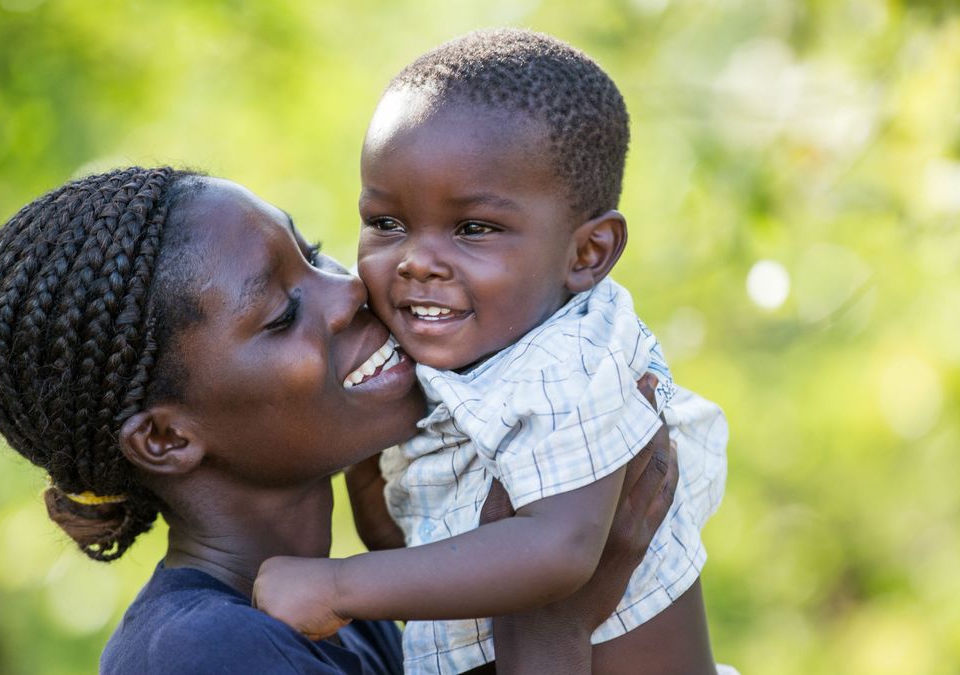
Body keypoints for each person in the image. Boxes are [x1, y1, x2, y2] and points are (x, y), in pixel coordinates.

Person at [0, 167, 685, 674]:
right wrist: (557, 611)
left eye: (310, 253)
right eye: (282, 313)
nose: (348, 291)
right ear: (167, 438)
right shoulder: (199, 655)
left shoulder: (348, 607)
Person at [252, 29, 729, 675]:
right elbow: (423, 543)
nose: (417, 260)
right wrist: (365, 458)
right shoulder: (458, 352)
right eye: (387, 223)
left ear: (587, 253)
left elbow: (560, 550)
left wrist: (339, 586)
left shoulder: (574, 359)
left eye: (474, 229)